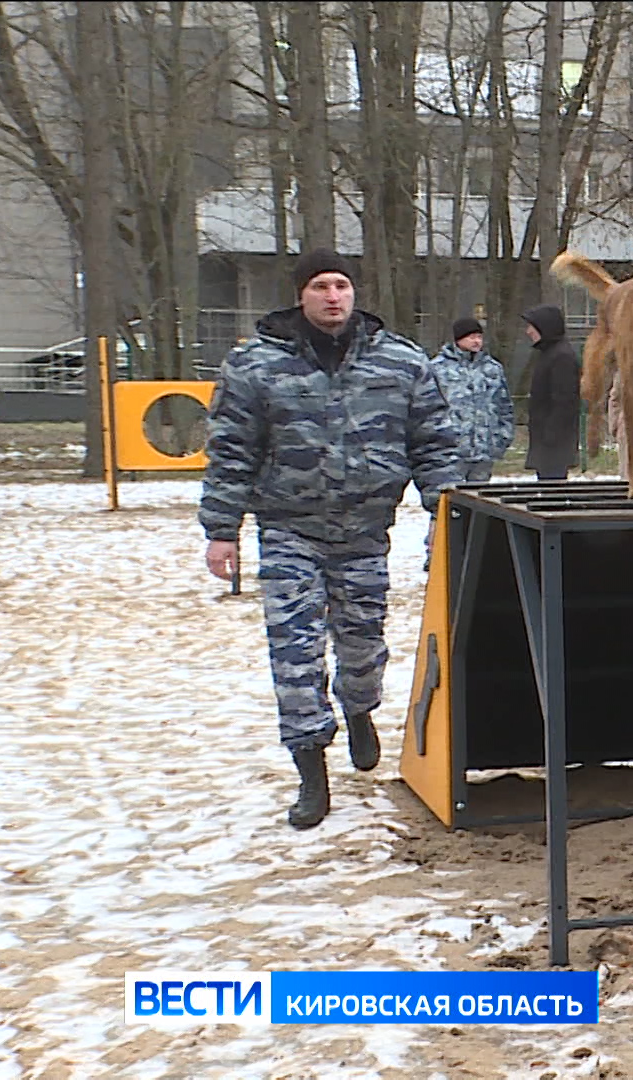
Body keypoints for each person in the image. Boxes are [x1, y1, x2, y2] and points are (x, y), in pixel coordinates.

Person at [198, 249, 465, 830]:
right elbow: (230, 452)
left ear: (355, 292)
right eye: (320, 285)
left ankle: (360, 708)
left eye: (342, 284)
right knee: (293, 654)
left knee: (362, 646)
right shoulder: (255, 366)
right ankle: (310, 771)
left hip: (367, 533)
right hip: (290, 530)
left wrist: (449, 516)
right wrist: (222, 529)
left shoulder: (401, 362)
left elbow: (436, 444)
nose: (332, 296)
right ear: (301, 294)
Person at [425, 316, 514, 567]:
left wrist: (501, 439)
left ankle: (476, 556)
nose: (477, 341)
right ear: (458, 339)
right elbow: (428, 408)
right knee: (443, 506)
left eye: (479, 336)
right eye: (471, 336)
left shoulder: (492, 369)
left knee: (481, 506)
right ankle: (437, 555)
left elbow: (504, 406)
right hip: (450, 451)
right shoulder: (437, 369)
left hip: (483, 451)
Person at [521, 304, 581, 481]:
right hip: (548, 440)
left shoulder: (561, 356)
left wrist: (551, 435)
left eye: (531, 326)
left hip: (554, 442)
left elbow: (565, 400)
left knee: (553, 485)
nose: (528, 331)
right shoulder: (549, 353)